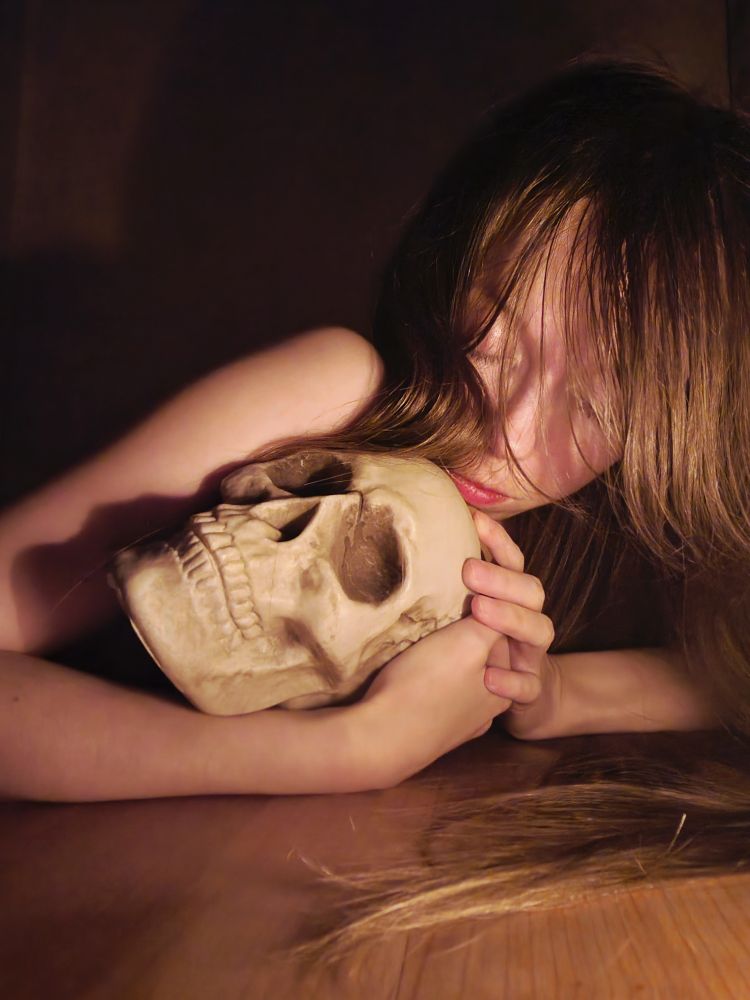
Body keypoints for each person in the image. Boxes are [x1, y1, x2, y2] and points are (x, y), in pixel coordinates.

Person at [0, 59, 743, 820]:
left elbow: (727, 676)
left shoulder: (607, 528)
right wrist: (349, 751)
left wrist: (548, 694)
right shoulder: (332, 395)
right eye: (493, 338)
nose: (507, 437)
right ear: (447, 273)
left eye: (592, 407)